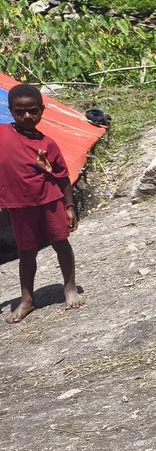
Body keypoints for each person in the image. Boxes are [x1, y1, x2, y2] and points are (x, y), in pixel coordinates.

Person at [1, 84, 80, 322]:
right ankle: (27, 299)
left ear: (42, 110)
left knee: (61, 243)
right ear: (10, 110)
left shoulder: (48, 144)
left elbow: (63, 176)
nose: (27, 116)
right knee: (26, 252)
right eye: (19, 111)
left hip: (50, 201)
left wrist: (69, 206)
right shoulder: (3, 135)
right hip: (19, 206)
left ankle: (70, 287)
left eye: (33, 111)